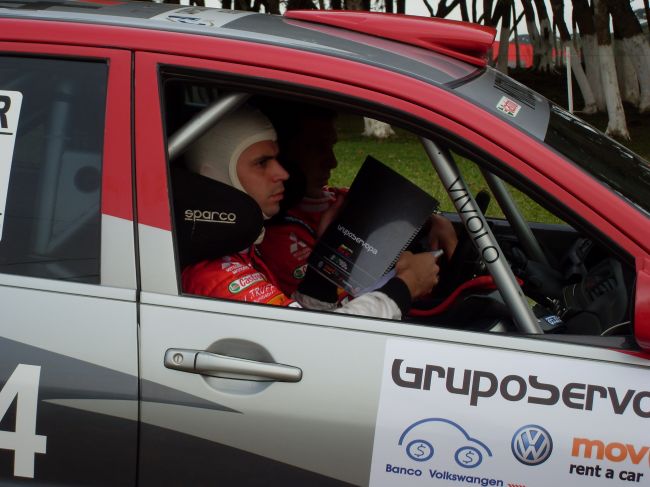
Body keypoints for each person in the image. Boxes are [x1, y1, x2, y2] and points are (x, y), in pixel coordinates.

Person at [181, 105, 440, 319]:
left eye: (277, 159)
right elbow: (314, 344)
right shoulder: (215, 276)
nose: (282, 173)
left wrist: (326, 260)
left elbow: (304, 319)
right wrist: (405, 287)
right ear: (215, 178)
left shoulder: (242, 252)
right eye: (262, 163)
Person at [259, 104, 458, 297]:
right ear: (282, 154)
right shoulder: (281, 238)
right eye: (316, 148)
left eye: (331, 146)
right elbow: (333, 308)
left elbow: (386, 207)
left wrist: (435, 220)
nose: (332, 162)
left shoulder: (338, 198)